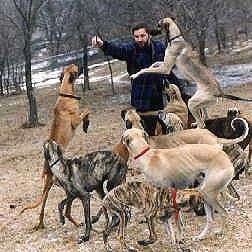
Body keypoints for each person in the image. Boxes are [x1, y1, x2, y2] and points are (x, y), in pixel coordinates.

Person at [91, 22, 183, 135]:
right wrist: (103, 44)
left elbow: (168, 69)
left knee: (165, 132)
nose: (139, 39)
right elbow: (118, 50)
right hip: (142, 99)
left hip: (160, 97)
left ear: (149, 35)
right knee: (145, 133)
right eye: (136, 36)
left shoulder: (159, 47)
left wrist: (179, 88)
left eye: (142, 36)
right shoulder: (131, 49)